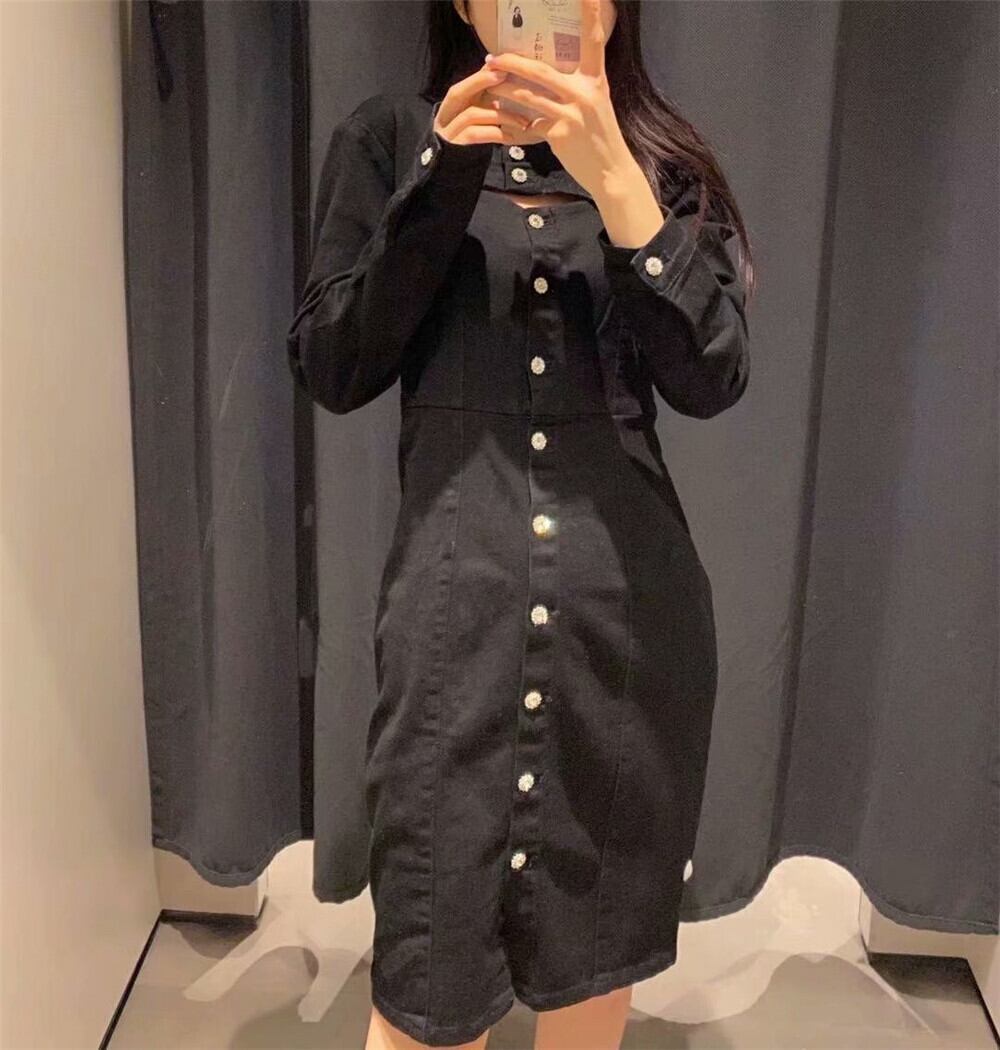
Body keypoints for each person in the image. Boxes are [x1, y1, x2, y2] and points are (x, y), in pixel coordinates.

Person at [286, 1, 753, 1047]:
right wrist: (442, 175)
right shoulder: (390, 140)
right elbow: (333, 364)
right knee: (427, 991)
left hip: (627, 640)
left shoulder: (663, 168)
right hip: (453, 639)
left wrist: (619, 185)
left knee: (590, 986)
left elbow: (714, 376)